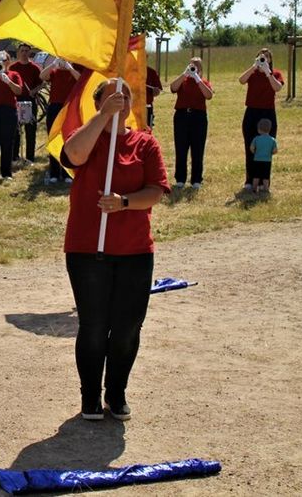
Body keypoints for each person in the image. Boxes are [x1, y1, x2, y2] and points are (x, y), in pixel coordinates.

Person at [60, 79, 170, 421]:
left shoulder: (145, 143)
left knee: (127, 328)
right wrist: (101, 119)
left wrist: (124, 203)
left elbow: (156, 191)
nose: (120, 100)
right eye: (111, 96)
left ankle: (116, 392)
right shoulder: (89, 137)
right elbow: (73, 155)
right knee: (93, 326)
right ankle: (90, 396)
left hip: (135, 250)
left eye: (126, 96)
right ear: (98, 103)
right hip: (87, 249)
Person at [238, 48, 283, 190]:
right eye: (261, 57)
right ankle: (250, 180)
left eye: (267, 57)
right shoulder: (253, 72)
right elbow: (241, 80)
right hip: (251, 112)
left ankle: (265, 181)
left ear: (270, 60)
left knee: (266, 149)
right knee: (250, 147)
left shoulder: (275, 73)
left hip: (268, 113)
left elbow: (277, 88)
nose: (264, 59)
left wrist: (268, 73)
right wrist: (254, 67)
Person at [169, 58, 213, 189]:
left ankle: (196, 180)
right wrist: (184, 74)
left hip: (198, 117)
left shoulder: (203, 82)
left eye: (197, 66)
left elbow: (209, 95)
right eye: (192, 65)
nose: (194, 68)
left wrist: (198, 79)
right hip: (182, 116)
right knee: (181, 147)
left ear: (201, 69)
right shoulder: (183, 80)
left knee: (198, 148)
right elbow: (172, 88)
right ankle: (180, 178)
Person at [40, 58, 80, 184]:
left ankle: (68, 172)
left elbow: (81, 80)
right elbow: (42, 76)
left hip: (68, 108)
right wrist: (53, 64)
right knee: (53, 138)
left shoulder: (74, 71)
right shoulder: (54, 71)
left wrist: (70, 68)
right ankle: (54, 173)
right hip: (54, 107)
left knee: (68, 139)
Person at [9, 43, 43, 163]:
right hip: (16, 101)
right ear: (18, 53)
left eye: (26, 51)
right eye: (22, 51)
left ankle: (30, 158)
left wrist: (34, 90)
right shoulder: (12, 68)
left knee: (30, 130)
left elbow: (42, 82)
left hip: (30, 101)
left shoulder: (35, 68)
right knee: (15, 130)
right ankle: (14, 157)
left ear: (30, 53)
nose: (24, 53)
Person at [250, 118, 278, 193]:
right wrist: (271, 153)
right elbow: (275, 150)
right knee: (266, 176)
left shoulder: (256, 139)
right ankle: (266, 189)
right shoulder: (272, 140)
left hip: (257, 160)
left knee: (256, 176)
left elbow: (252, 148)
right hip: (267, 160)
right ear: (269, 129)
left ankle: (254, 188)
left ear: (259, 129)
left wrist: (254, 152)